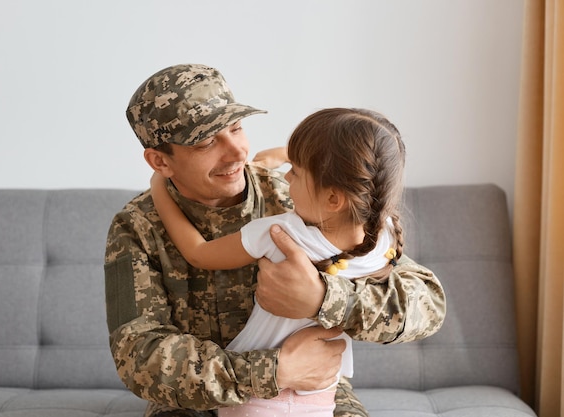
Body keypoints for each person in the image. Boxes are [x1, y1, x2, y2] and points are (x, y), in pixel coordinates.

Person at [104, 63, 446, 417]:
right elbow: (139, 356)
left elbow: (427, 307)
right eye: (207, 141)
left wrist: (323, 299)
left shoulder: (301, 198)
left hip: (312, 391)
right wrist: (273, 370)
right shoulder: (136, 227)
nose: (237, 151)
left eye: (236, 128)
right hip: (194, 403)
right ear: (160, 161)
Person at [149, 107, 413, 417]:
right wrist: (288, 156)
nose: (285, 176)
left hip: (252, 396)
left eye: (297, 172)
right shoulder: (383, 236)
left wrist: (157, 188)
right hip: (319, 393)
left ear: (332, 199)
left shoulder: (278, 232)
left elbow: (198, 253)